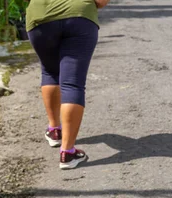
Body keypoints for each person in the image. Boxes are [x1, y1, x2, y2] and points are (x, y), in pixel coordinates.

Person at [26, 0, 110, 169]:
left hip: (41, 17)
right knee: (73, 84)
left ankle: (55, 130)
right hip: (80, 17)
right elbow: (101, 1)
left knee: (50, 72)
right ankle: (67, 152)